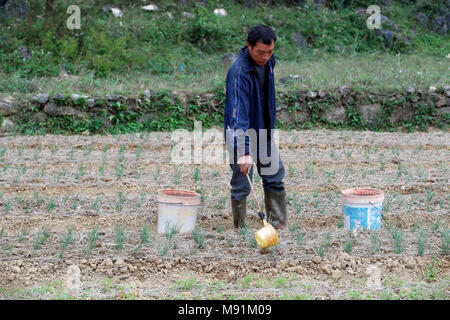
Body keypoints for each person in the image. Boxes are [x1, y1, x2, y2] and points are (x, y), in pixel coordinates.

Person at [224, 25, 287, 230]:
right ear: (248, 46)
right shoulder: (238, 73)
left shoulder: (268, 62)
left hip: (263, 131)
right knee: (242, 184)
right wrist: (243, 151)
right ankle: (240, 229)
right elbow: (237, 115)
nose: (266, 57)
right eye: (260, 52)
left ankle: (277, 224)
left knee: (275, 175)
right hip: (241, 134)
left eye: (270, 52)